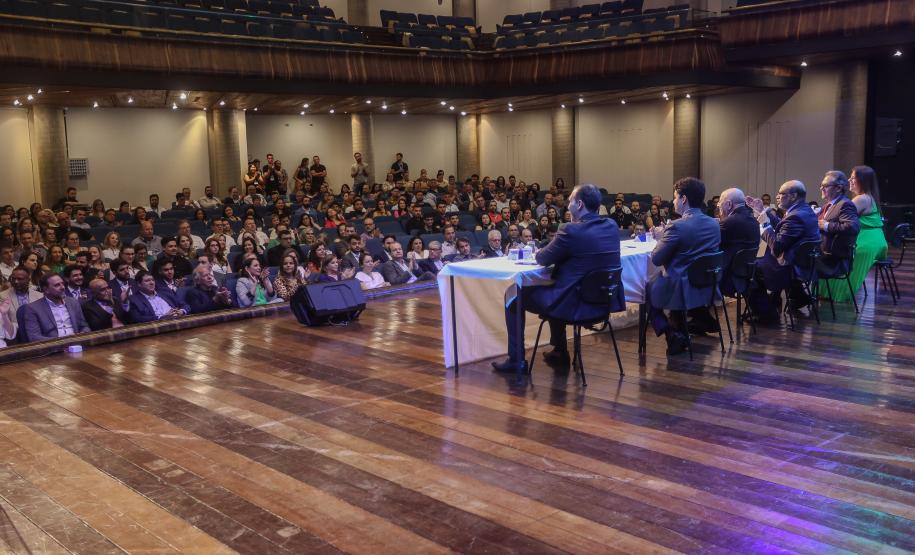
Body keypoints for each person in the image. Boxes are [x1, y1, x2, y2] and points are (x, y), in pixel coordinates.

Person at [495, 184, 621, 372]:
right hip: (603, 303)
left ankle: (516, 360)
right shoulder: (611, 226)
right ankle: (560, 351)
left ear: (579, 205)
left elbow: (542, 258)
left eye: (570, 201)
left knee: (513, 294)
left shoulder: (571, 230)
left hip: (574, 304)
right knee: (559, 286)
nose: (567, 205)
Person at [647, 177, 722, 355]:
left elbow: (656, 259)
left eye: (675, 197)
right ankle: (695, 321)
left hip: (681, 287)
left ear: (683, 199)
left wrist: (662, 237)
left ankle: (671, 333)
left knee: (648, 287)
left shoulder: (677, 226)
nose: (673, 201)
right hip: (707, 284)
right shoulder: (714, 224)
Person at [747, 180, 820, 313]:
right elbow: (784, 227)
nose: (777, 196)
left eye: (781, 193)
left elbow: (777, 247)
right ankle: (795, 296)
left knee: (750, 267)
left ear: (793, 196)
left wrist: (765, 225)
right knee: (760, 260)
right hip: (802, 262)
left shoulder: (796, 216)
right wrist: (762, 211)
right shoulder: (804, 210)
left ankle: (765, 312)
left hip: (790, 266)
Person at [822, 165, 887, 302]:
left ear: (863, 181)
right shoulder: (869, 197)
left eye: (853, 178)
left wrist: (824, 220)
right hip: (877, 241)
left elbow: (838, 218)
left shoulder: (861, 199)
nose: (849, 181)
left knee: (838, 253)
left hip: (867, 242)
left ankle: (836, 293)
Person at [814, 170, 860, 297]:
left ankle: (797, 297)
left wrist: (826, 225)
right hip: (823, 255)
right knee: (789, 257)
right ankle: (798, 297)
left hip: (833, 261)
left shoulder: (845, 204)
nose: (821, 188)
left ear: (839, 188)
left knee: (790, 260)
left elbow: (853, 227)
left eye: (825, 186)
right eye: (821, 185)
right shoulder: (828, 205)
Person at [19, 273, 90, 342]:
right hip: (53, 347)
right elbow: (34, 337)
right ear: (46, 290)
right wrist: (61, 342)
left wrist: (82, 334)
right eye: (57, 285)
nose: (62, 287)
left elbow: (84, 326)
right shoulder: (33, 308)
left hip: (77, 343)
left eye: (62, 283)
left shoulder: (73, 302)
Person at [0, 267, 43, 342]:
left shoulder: (39, 296)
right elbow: (3, 321)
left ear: (28, 280)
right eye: (13, 279)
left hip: (37, 332)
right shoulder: (3, 296)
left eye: (20, 279)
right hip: (15, 335)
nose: (16, 281)